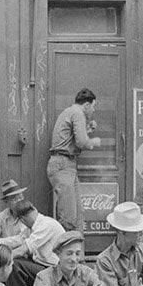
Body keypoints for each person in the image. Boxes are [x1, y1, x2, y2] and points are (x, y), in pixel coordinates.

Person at [48, 88, 100, 231]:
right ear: (87, 105)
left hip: (66, 165)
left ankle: (76, 253)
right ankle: (66, 252)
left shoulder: (71, 112)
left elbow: (70, 139)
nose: (93, 111)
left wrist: (87, 129)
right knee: (69, 219)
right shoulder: (78, 113)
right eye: (93, 107)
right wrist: (94, 141)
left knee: (77, 219)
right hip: (63, 165)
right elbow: (82, 142)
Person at [8, 201, 66, 286]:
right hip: (44, 266)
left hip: (57, 271)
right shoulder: (34, 226)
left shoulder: (45, 225)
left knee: (14, 264)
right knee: (17, 262)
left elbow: (25, 248)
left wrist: (4, 258)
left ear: (23, 219)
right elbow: (17, 240)